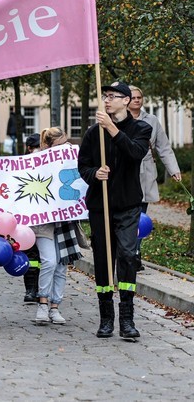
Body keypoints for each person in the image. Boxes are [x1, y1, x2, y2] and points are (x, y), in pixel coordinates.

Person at [78, 81, 151, 339]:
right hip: (100, 206)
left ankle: (127, 319)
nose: (107, 100)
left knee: (128, 256)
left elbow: (135, 153)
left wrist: (111, 129)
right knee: (103, 260)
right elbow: (83, 165)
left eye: (113, 96)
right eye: (105, 96)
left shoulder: (141, 128)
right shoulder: (92, 133)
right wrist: (94, 174)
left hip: (128, 205)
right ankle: (106, 318)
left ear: (126, 100)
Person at [30, 127, 83, 326]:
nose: (64, 148)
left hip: (64, 221)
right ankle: (42, 302)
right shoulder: (36, 160)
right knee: (50, 261)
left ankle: (55, 306)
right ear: (50, 145)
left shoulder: (71, 157)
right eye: (60, 145)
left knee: (61, 265)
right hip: (44, 221)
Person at [128, 85, 181, 269]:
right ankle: (127, 253)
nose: (136, 100)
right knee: (126, 216)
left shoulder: (152, 120)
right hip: (125, 173)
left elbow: (164, 147)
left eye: (139, 97)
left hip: (146, 172)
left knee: (141, 215)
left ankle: (135, 253)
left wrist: (174, 169)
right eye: (133, 97)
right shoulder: (118, 119)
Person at [21, 132, 41, 304]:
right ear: (29, 149)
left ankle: (42, 288)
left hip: (45, 217)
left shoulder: (48, 164)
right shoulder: (19, 166)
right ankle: (30, 289)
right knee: (31, 254)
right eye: (35, 148)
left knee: (45, 256)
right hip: (27, 217)